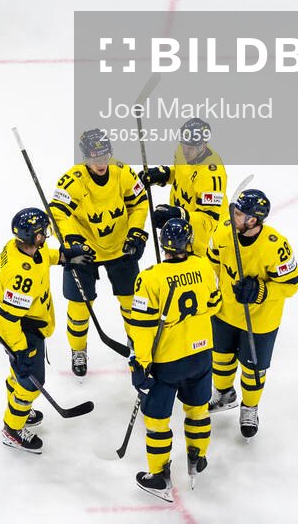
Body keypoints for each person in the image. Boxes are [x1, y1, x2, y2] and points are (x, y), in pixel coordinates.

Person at [124, 212, 223, 500]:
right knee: (198, 410)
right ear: (189, 242)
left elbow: (141, 327)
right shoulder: (205, 268)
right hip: (202, 355)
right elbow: (215, 306)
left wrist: (139, 364)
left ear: (163, 244)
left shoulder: (150, 277)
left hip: (168, 362)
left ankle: (158, 476)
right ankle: (197, 458)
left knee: (157, 422)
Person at [50, 129, 148, 378]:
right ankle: (78, 349)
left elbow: (139, 202)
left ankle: (136, 344)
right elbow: (58, 211)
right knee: (80, 307)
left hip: (120, 247)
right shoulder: (72, 181)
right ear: (85, 157)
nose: (101, 163)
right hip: (84, 251)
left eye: (105, 156)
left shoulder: (123, 173)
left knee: (132, 303)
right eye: (95, 157)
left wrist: (136, 233)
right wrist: (72, 239)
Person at [208, 188, 298, 438]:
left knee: (253, 370)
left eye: (238, 213)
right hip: (225, 310)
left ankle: (250, 407)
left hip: (260, 320)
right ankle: (224, 393)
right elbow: (212, 263)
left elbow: (292, 284)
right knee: (220, 359)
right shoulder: (223, 232)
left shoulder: (276, 246)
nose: (232, 215)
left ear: (253, 220)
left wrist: (260, 291)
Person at [0, 207, 59, 455]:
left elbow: (40, 259)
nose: (45, 236)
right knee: (31, 383)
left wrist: (62, 257)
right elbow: (8, 320)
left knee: (19, 378)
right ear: (34, 237)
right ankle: (13, 428)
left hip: (26, 323)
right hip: (23, 329)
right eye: (42, 233)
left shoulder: (18, 246)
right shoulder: (22, 277)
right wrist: (21, 351)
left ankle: (21, 409)